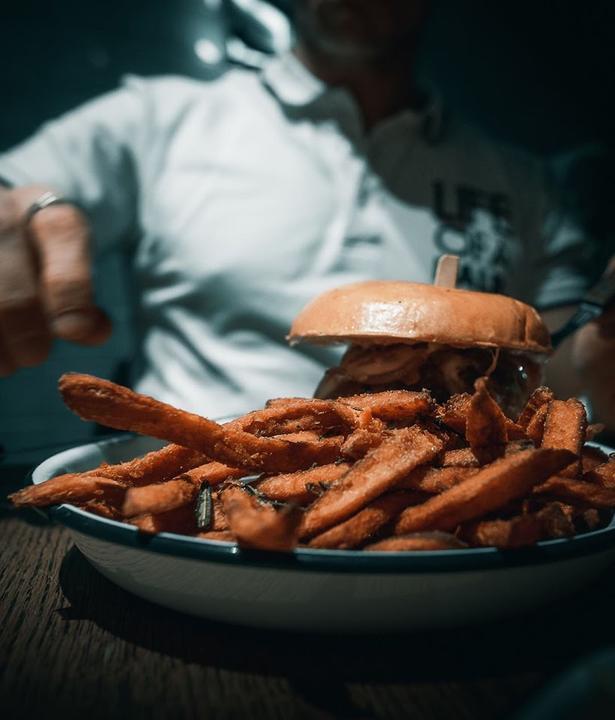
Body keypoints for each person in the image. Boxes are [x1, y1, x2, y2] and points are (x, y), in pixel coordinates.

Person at [0, 0, 613, 430]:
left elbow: (548, 357)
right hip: (197, 488)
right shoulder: (156, 118)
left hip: (452, 509)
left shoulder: (524, 179)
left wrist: (597, 347)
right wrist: (26, 213)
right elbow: (16, 191)